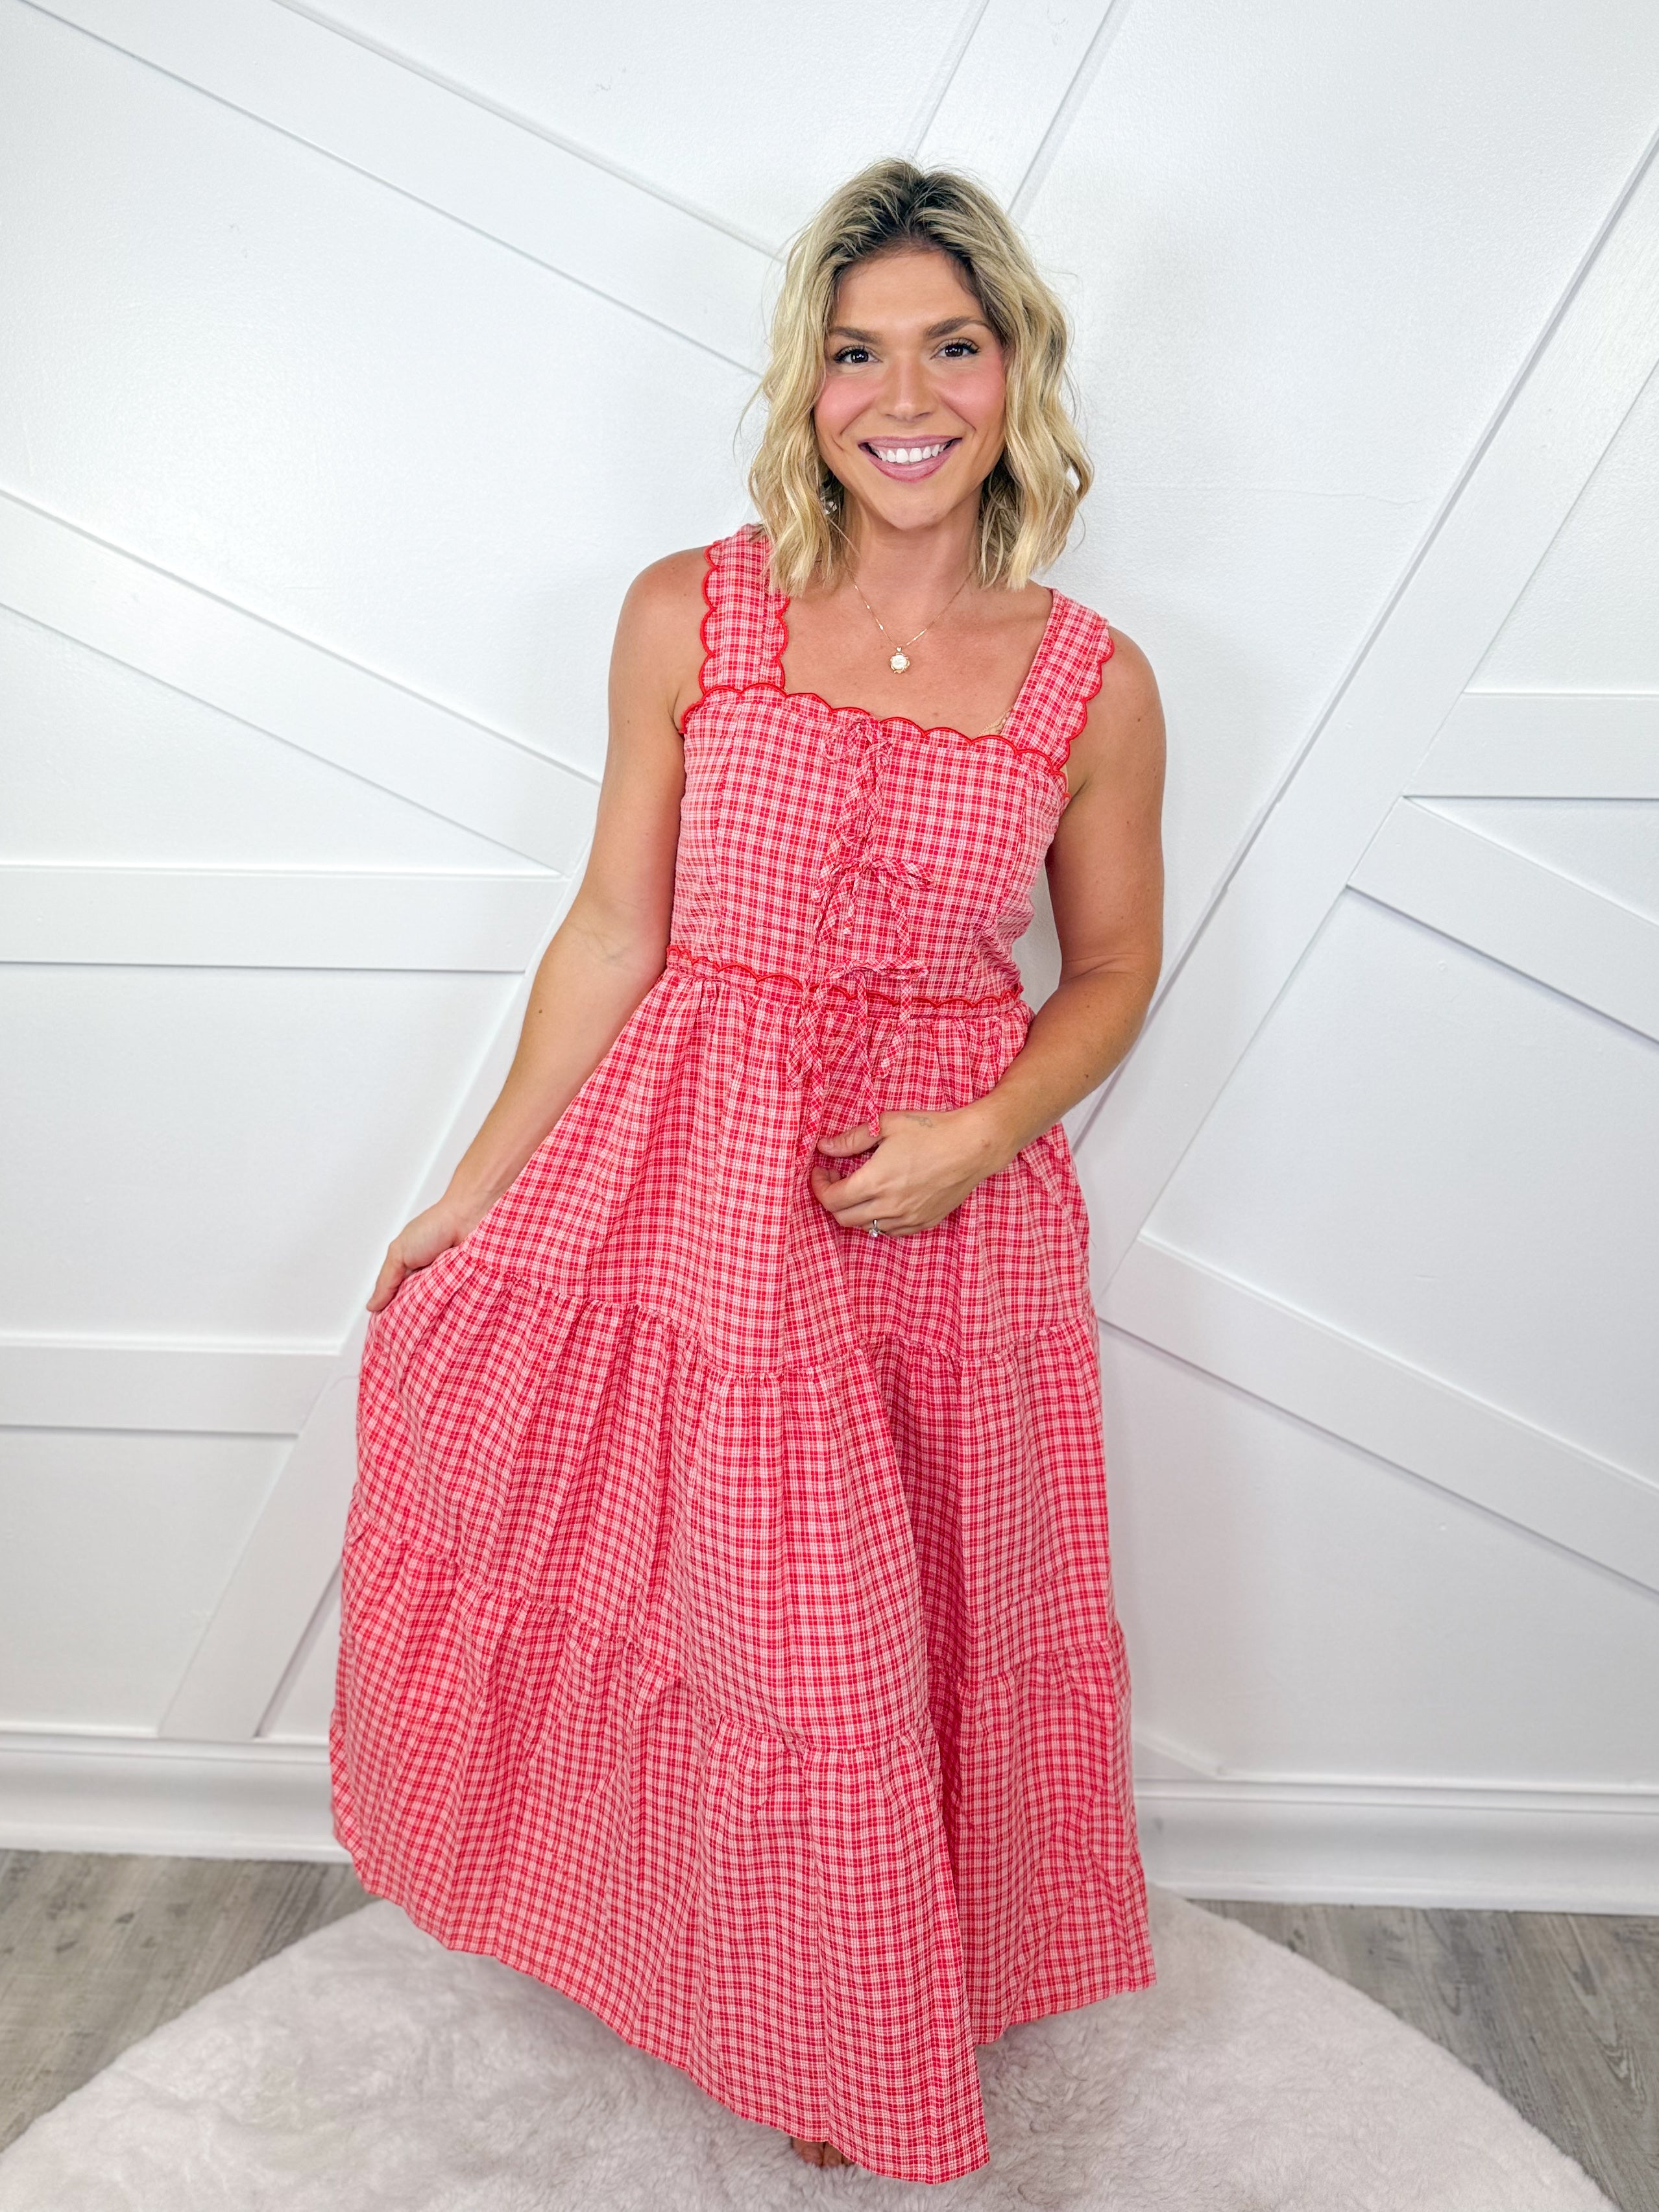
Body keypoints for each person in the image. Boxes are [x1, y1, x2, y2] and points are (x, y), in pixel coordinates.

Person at [329, 155, 1167, 2183]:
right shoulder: (686, 612)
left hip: (941, 1227)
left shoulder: (1094, 681)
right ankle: (708, 1967)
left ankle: (869, 2022)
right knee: (737, 1625)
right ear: (805, 384)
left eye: (952, 346)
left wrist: (980, 1131)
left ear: (1017, 369)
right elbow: (618, 926)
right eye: (857, 353)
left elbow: (1115, 969)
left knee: (888, 1645)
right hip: (690, 1196)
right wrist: (473, 1189)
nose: (907, 397)